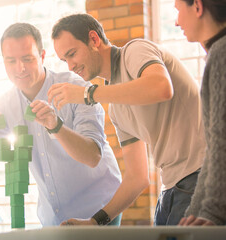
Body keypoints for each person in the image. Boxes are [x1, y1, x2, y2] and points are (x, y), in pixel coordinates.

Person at [49, 13, 206, 226]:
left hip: (198, 178)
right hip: (169, 191)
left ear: (94, 39)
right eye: (64, 60)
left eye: (72, 54)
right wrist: (96, 222)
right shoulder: (117, 107)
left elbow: (161, 87)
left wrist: (88, 94)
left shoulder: (135, 50)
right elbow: (137, 177)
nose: (70, 66)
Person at [0, 22, 122, 226]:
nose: (19, 68)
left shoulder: (76, 88)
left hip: (99, 211)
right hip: (54, 219)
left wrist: (55, 126)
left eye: (27, 59)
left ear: (42, 56)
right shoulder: (6, 104)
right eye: (11, 61)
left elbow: (92, 156)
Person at [174, 0, 226, 226]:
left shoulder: (222, 53)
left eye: (178, 10)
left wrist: (211, 213)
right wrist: (194, 212)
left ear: (197, 6)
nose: (176, 22)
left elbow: (221, 141)